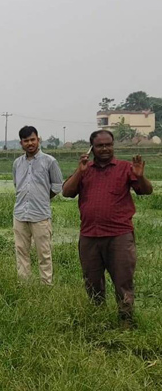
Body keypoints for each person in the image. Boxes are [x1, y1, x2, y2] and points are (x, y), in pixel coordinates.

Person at [62, 130, 153, 326]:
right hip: (89, 236)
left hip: (119, 236)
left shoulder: (125, 168)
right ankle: (98, 321)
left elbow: (146, 191)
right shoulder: (85, 169)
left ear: (113, 145)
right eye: (100, 146)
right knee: (92, 282)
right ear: (92, 148)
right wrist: (80, 172)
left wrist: (141, 177)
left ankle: (125, 322)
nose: (105, 149)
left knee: (123, 281)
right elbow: (67, 192)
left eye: (108, 145)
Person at [12, 126, 63, 285]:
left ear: (38, 140)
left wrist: (42, 199)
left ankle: (46, 286)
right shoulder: (17, 163)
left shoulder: (49, 161)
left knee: (44, 254)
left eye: (32, 139)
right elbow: (17, 184)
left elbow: (57, 186)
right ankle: (24, 285)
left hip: (40, 216)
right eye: (26, 141)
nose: (30, 143)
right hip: (20, 214)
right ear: (21, 143)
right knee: (21, 252)